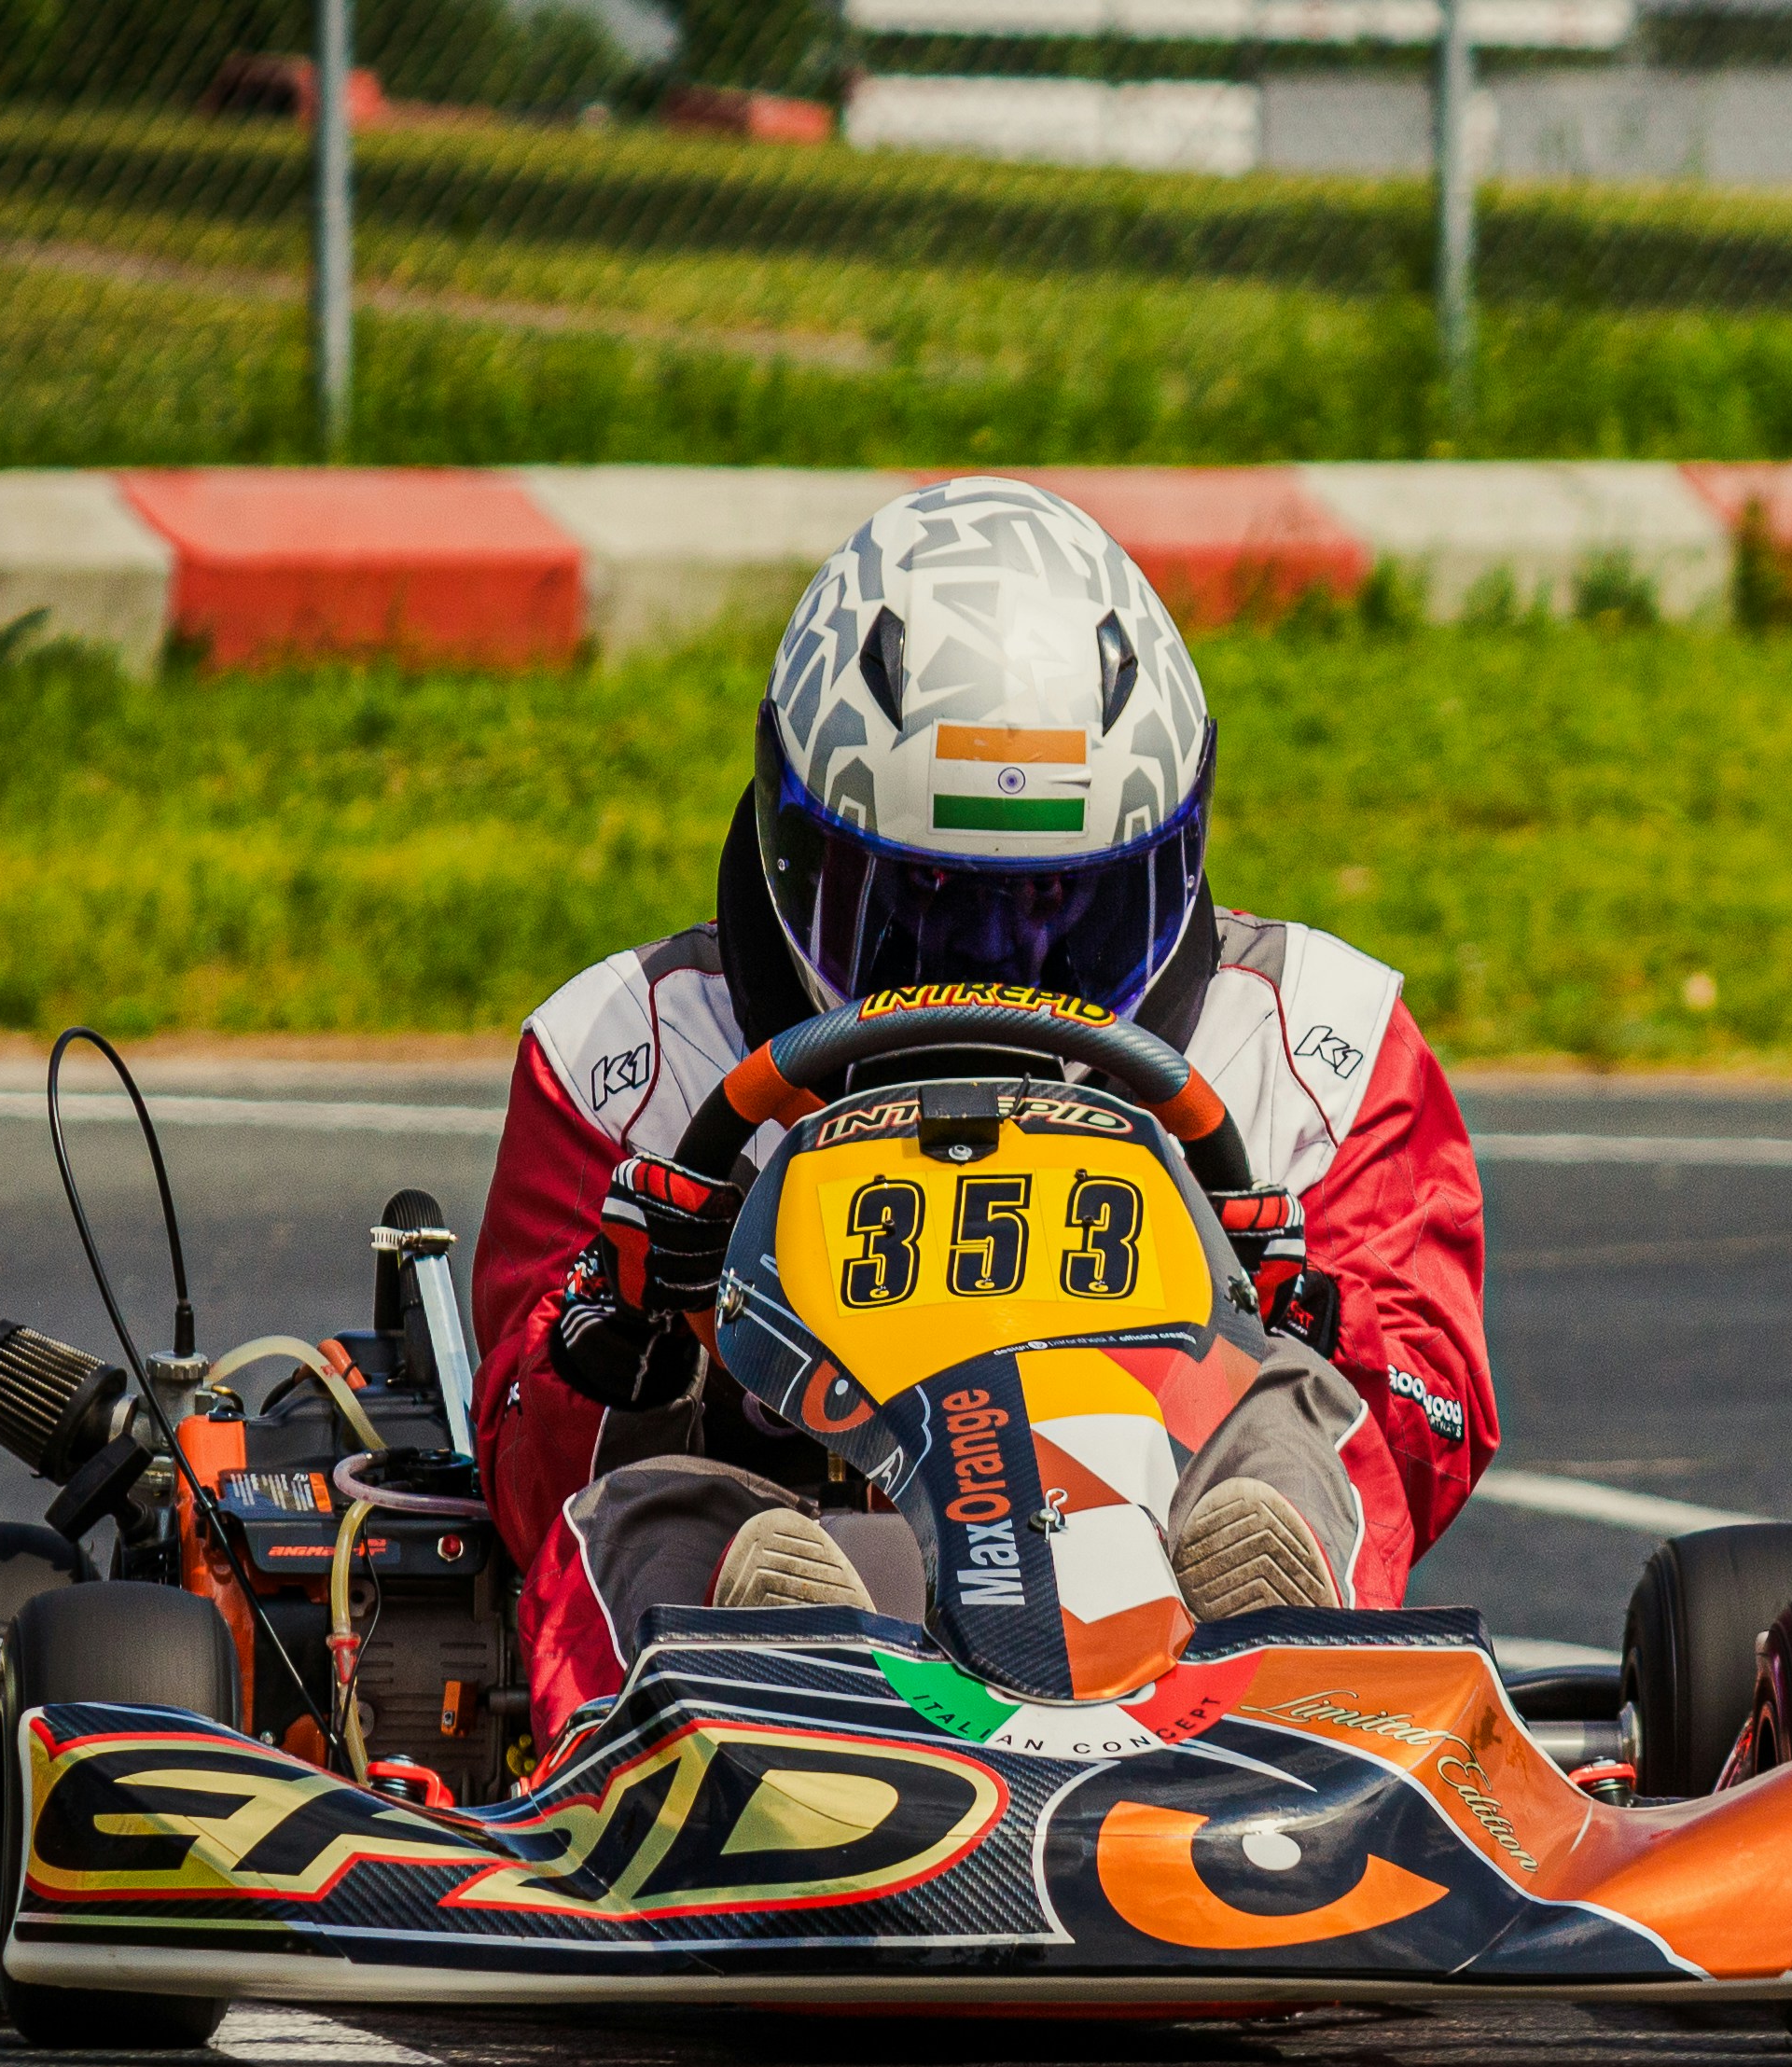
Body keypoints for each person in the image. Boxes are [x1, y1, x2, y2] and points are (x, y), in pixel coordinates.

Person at [466, 478, 1497, 1737]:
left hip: (1166, 1570)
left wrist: (1308, 1312)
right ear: (804, 846)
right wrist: (630, 1331)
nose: (999, 962)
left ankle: (1292, 1675)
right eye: (934, 904)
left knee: (1294, 1424)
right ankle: (769, 1672)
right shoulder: (636, 1057)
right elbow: (528, 1468)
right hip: (803, 1539)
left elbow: (1428, 1419)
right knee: (655, 1510)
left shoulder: (1309, 1050)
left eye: (1059, 906)